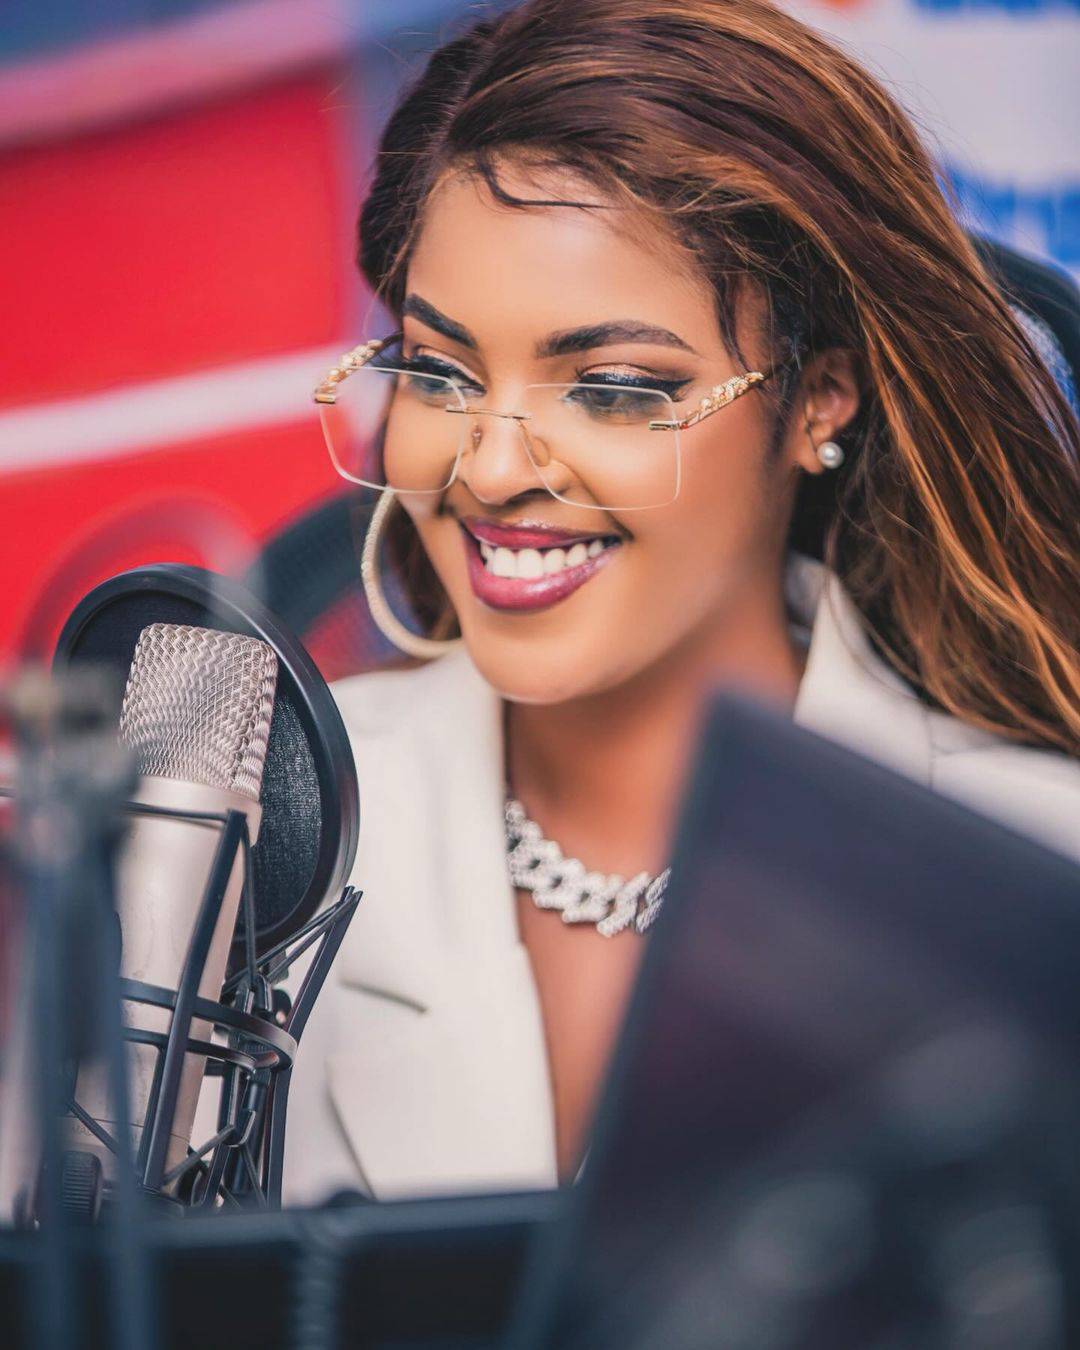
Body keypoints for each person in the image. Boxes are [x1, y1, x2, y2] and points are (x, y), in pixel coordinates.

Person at [282, 0, 1080, 1205]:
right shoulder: (233, 835)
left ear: (821, 401)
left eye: (612, 388)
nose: (491, 470)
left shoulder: (1037, 875)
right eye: (440, 372)